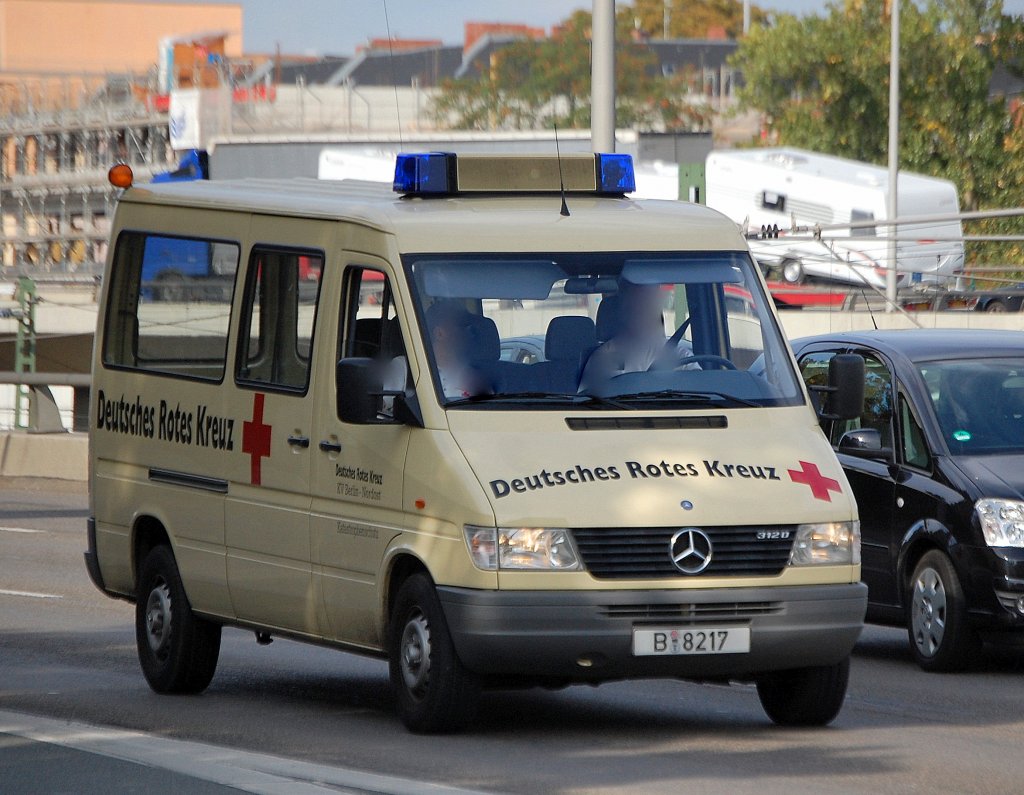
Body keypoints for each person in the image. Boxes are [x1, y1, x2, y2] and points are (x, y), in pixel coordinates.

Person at [581, 282, 669, 385]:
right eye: (636, 307)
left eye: (646, 306)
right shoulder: (607, 355)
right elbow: (592, 395)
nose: (641, 314)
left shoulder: (677, 353)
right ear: (624, 313)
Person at [425, 300, 488, 399]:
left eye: (471, 328)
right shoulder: (406, 369)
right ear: (439, 333)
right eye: (463, 326)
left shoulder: (476, 378)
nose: (471, 334)